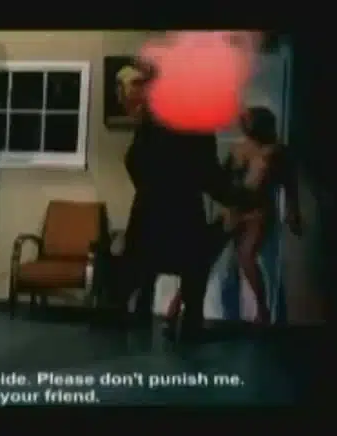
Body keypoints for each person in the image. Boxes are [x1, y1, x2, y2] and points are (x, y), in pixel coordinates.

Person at [114, 61, 247, 342]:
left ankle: (129, 327)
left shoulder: (152, 123)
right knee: (192, 268)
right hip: (181, 209)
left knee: (141, 270)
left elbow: (133, 160)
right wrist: (237, 197)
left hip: (150, 207)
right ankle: (189, 328)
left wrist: (148, 187)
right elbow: (208, 174)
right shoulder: (194, 125)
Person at [217, 107, 302, 323]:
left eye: (248, 120)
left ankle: (263, 312)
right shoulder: (240, 149)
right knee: (220, 262)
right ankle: (179, 308)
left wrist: (293, 211)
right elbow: (224, 180)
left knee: (247, 258)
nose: (244, 124)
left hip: (257, 211)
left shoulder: (275, 152)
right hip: (236, 209)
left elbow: (289, 183)